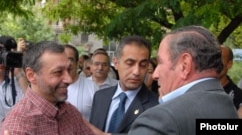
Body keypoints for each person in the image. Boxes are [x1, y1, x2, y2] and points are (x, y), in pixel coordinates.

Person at [87, 26, 239, 135]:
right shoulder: (226, 106)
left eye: (160, 62)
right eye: (130, 62)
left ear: (185, 65)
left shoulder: (161, 117)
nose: (154, 74)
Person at [0, 41, 94, 135]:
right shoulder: (18, 125)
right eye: (58, 72)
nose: (69, 79)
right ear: (31, 75)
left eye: (69, 70)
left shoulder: (70, 112)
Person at [89, 35, 159, 133]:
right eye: (130, 63)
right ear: (116, 63)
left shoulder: (156, 105)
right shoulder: (100, 97)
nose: (136, 72)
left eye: (143, 65)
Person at [0, 36, 26, 135]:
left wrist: (18, 71)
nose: (0, 60)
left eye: (5, 54)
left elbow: (34, 104)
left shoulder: (19, 82)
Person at [64, 44, 98, 121]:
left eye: (70, 59)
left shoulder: (92, 87)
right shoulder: (50, 88)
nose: (67, 64)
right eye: (62, 59)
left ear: (77, 63)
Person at [219, 45, 242, 118]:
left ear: (229, 64)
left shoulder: (238, 97)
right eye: (212, 59)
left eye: (220, 59)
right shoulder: (196, 88)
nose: (214, 63)